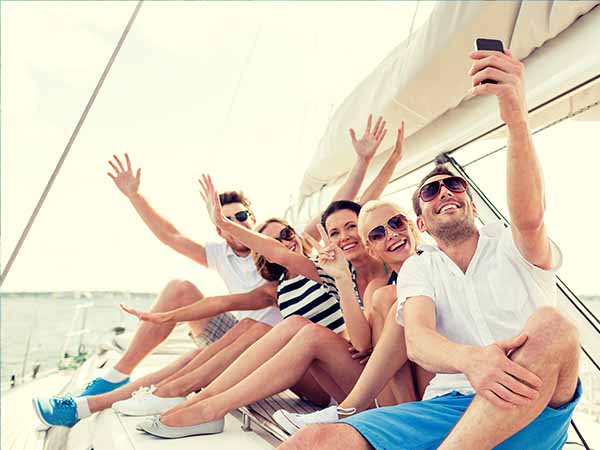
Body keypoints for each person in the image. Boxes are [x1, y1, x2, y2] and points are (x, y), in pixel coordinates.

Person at [281, 49, 581, 450]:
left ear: (472, 204)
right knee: (310, 441)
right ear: (422, 222)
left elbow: (530, 216)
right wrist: (471, 361)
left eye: (454, 185)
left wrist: (514, 115)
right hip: (448, 408)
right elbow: (418, 339)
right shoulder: (420, 270)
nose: (444, 192)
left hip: (530, 405)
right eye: (430, 191)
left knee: (554, 326)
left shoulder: (513, 243)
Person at [32, 114, 399, 427]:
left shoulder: (312, 257)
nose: (284, 242)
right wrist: (165, 315)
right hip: (255, 343)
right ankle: (125, 387)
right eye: (229, 222)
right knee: (228, 324)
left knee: (253, 331)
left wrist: (366, 162)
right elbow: (210, 287)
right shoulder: (255, 270)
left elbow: (347, 211)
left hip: (279, 347)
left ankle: (166, 396)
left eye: (243, 219)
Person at [132, 195, 422, 439]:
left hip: (390, 390)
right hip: (360, 379)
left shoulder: (392, 275)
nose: (344, 236)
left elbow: (363, 345)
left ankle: (205, 406)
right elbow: (274, 256)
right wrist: (223, 223)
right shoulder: (337, 274)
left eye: (351, 227)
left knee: (298, 330)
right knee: (293, 326)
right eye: (334, 233)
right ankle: (202, 402)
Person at [272, 200, 434, 434]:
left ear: (412, 226)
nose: (391, 235)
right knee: (305, 330)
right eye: (378, 234)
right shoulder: (376, 288)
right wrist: (341, 278)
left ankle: (349, 409)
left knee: (392, 298)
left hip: (437, 373)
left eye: (396, 223)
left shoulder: (432, 263)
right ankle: (405, 414)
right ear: (371, 246)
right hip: (401, 387)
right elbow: (360, 344)